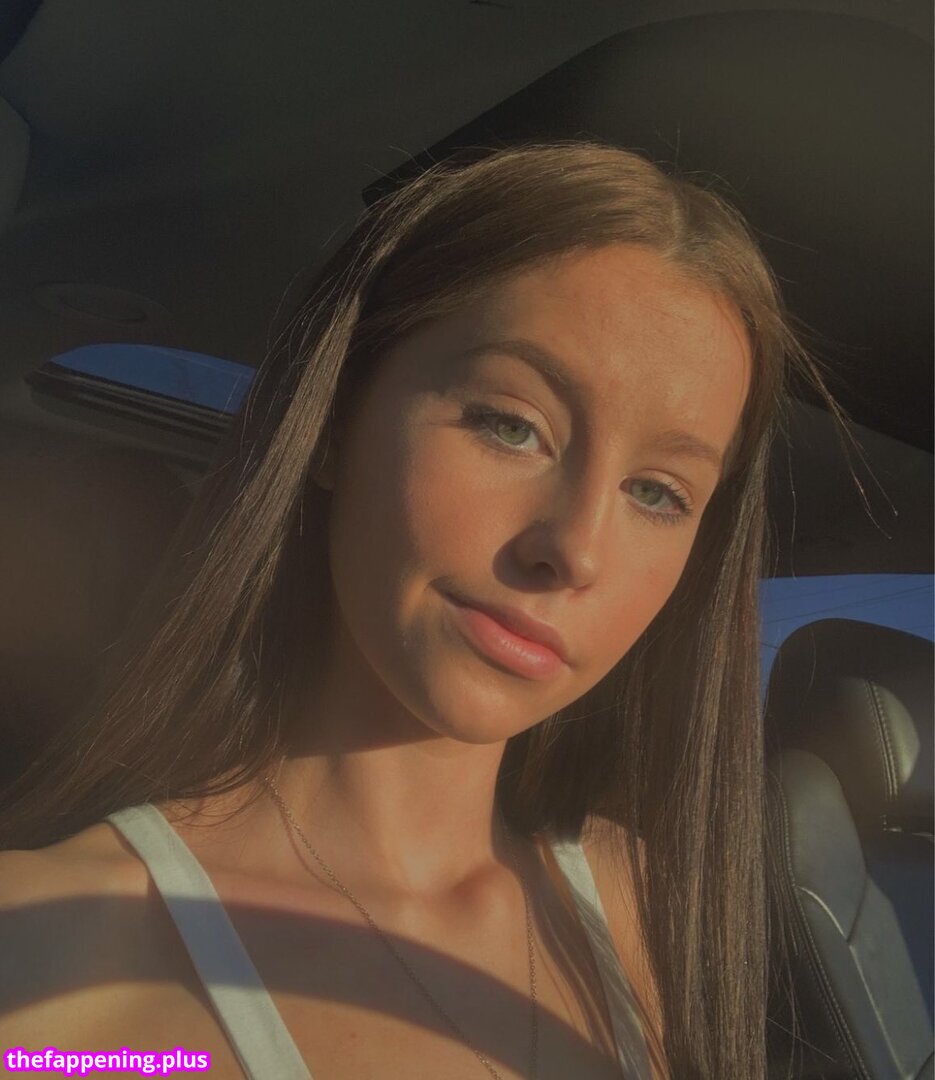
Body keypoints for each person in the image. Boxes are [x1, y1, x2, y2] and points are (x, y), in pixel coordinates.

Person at [0, 142, 834, 1079]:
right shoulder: (50, 961)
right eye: (510, 425)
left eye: (657, 492)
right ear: (336, 420)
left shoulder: (654, 913)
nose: (576, 550)